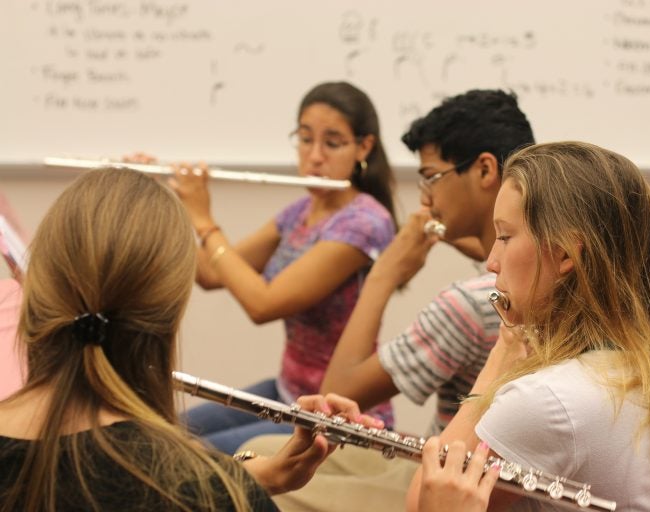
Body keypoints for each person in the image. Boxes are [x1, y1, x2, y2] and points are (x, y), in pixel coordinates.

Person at [0, 169, 386, 511]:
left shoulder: (202, 487)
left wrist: (241, 478)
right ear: (168, 313)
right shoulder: (203, 492)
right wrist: (229, 487)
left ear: (38, 291)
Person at [238, 89, 535, 512]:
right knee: (261, 445)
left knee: (254, 481)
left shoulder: (471, 303)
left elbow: (335, 394)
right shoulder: (538, 278)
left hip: (440, 484)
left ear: (485, 170)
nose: (425, 198)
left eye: (431, 177)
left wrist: (384, 273)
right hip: (461, 470)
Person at [406, 141, 650, 511]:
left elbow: (426, 499)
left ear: (566, 253)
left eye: (505, 237)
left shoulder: (547, 400)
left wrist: (500, 360)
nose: (492, 261)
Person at [169, 81, 399, 453]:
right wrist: (172, 202)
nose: (315, 156)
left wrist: (203, 219)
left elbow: (264, 304)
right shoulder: (300, 211)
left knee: (196, 457)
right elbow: (212, 274)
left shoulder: (364, 222)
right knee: (169, 432)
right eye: (306, 139)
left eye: (332, 142)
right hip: (289, 392)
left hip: (337, 416)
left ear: (364, 147)